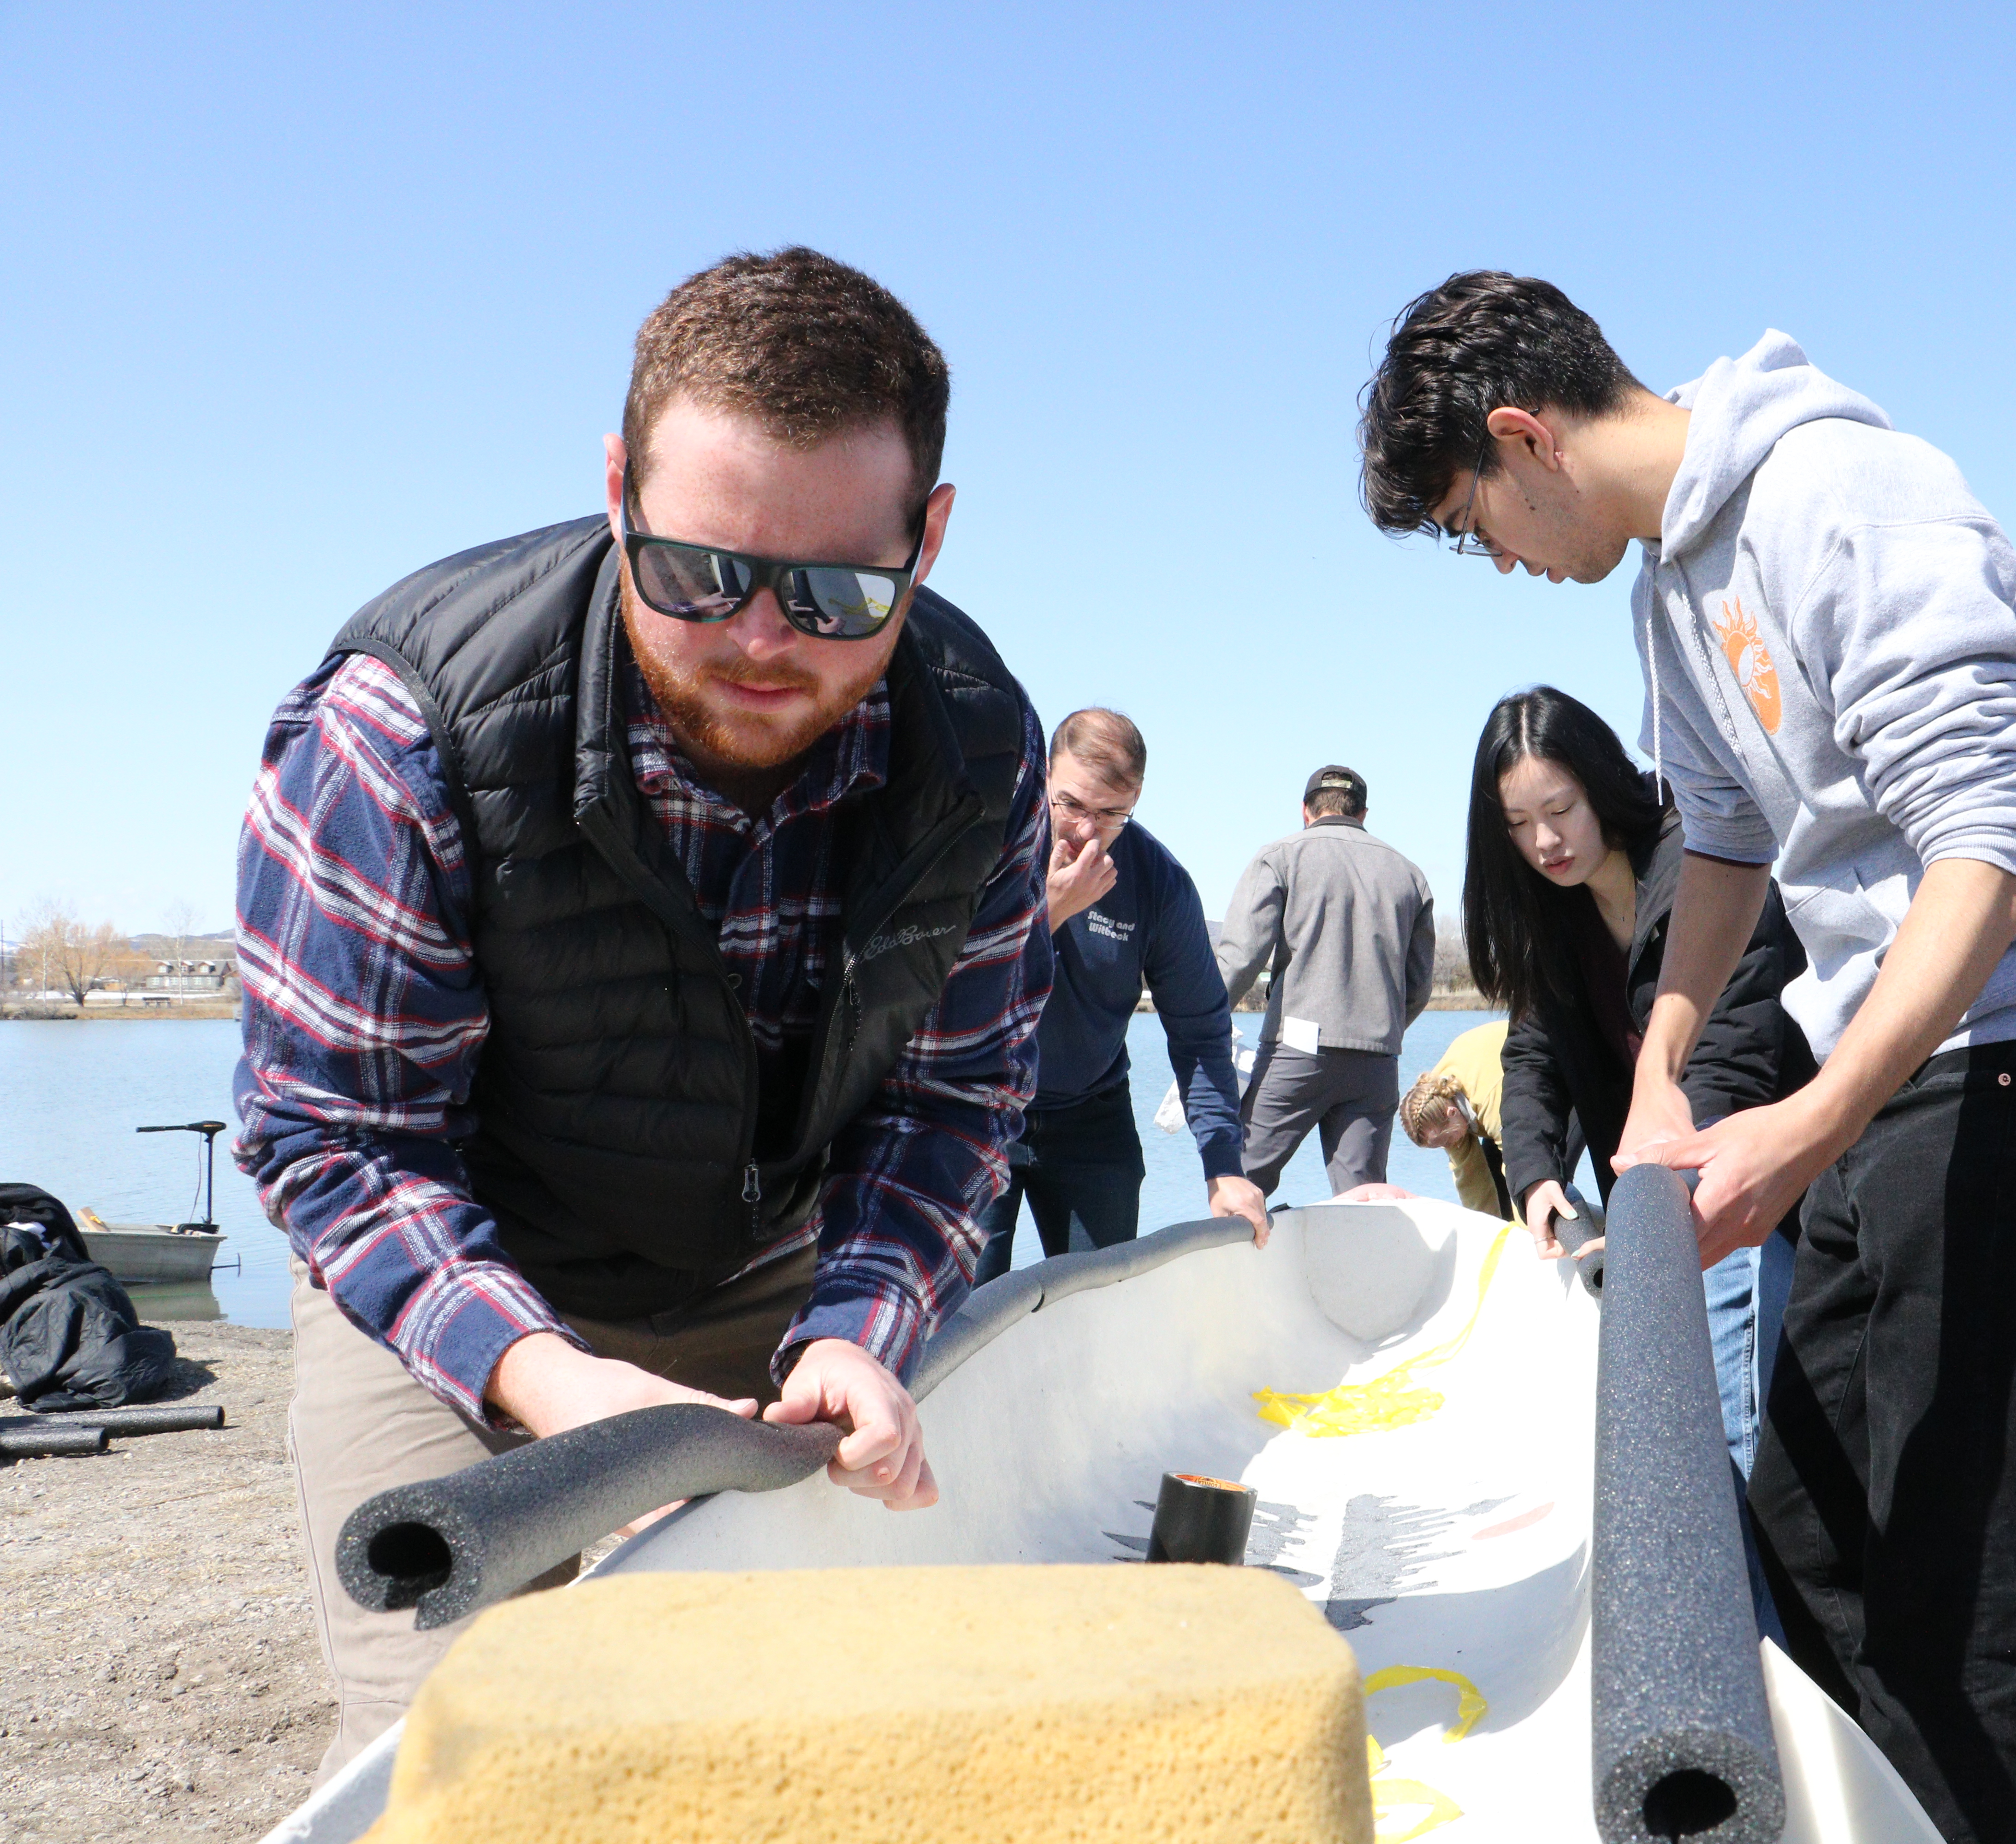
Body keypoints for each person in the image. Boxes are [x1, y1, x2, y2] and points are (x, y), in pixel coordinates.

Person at [1358, 273, 2016, 1844]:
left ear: (1525, 438)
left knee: (1946, 1565)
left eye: (1480, 525)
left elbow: (1987, 857)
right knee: (1794, 1514)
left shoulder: (1847, 495)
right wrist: (1665, 1063)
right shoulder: (1669, 587)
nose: (1502, 563)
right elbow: (1726, 844)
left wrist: (1805, 1125)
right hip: (1881, 1069)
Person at [234, 249, 1053, 1775]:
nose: (756, 643)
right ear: (618, 486)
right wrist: (560, 1384)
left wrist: (861, 1326)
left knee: (787, 1722)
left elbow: (951, 1108)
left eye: (834, 593)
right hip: (450, 1267)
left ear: (927, 541)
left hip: (763, 1266)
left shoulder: (984, 752)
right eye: (698, 571)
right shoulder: (400, 731)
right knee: (464, 1753)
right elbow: (338, 1141)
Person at [1463, 685, 1811, 1482]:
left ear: (1600, 782)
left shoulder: (1703, 864)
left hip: (1753, 1190)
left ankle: (1743, 1598)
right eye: (1518, 826)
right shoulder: (1556, 913)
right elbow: (1533, 1059)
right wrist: (1539, 1175)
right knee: (1695, 1422)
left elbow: (1734, 1055)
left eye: (1560, 809)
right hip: (1660, 1198)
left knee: (1737, 1428)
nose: (1545, 842)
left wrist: (1657, 1197)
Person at [974, 710, 1267, 1277]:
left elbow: (1200, 1031)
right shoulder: (988, 844)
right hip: (978, 1105)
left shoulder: (1158, 881)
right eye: (1073, 805)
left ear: (1137, 799)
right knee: (956, 1325)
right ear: (1042, 776)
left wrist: (1223, 1164)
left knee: (1103, 1308)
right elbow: (947, 992)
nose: (1087, 830)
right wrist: (1048, 913)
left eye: (1112, 813)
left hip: (1091, 1114)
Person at [1215, 767, 1437, 1197]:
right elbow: (1419, 987)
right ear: (1364, 813)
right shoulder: (1410, 875)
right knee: (1364, 1200)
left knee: (1240, 1182)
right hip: (1376, 1062)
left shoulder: (1280, 856)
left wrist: (1200, 1025)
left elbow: (1240, 960)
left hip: (1297, 1052)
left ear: (1305, 811)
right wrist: (1379, 1031)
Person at [1399, 1020, 1514, 1221]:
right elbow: (1472, 1180)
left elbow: (1522, 1167)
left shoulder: (1488, 1097)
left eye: (1447, 1142)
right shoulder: (1438, 1098)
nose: (1449, 1146)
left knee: (1541, 1174)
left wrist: (1530, 1237)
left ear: (1452, 1113)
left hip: (1562, 1076)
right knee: (1496, 1178)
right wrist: (1486, 1234)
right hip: (1502, 1105)